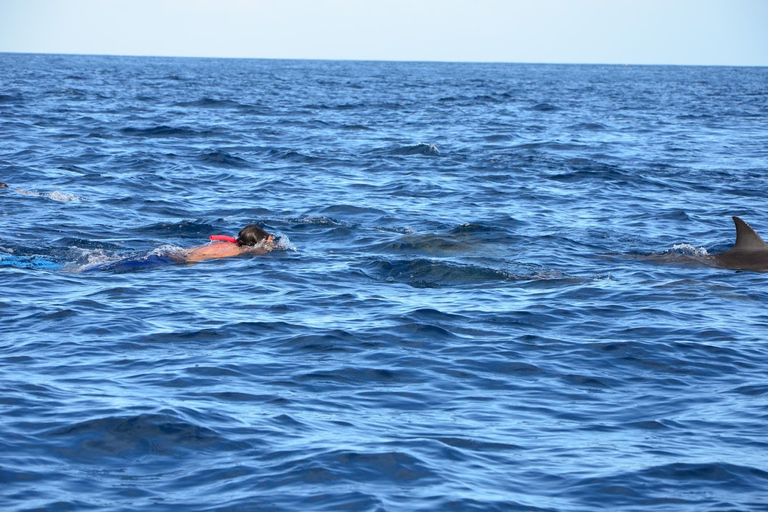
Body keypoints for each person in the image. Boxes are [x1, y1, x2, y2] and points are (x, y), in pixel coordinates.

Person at [183, 225, 275, 262]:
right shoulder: (236, 250)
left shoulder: (227, 243)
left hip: (179, 253)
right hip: (180, 260)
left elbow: (186, 252)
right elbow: (193, 257)